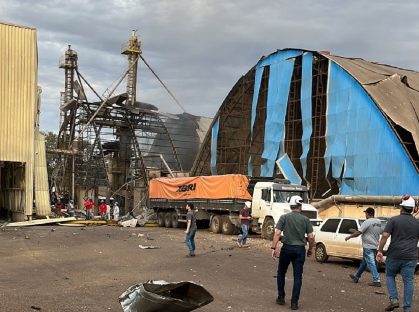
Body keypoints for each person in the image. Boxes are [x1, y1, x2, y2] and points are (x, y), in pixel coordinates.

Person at [271, 195, 314, 310]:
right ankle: (294, 303)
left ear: (291, 205)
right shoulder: (305, 219)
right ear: (300, 205)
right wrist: (310, 249)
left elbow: (277, 233)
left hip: (287, 248)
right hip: (300, 250)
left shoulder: (284, 217)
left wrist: (273, 248)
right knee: (298, 277)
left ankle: (281, 298)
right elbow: (310, 236)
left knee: (281, 273)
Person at [376, 195, 419, 312]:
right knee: (408, 281)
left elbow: (385, 236)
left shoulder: (393, 220)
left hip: (394, 255)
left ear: (401, 207)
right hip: (411, 257)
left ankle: (394, 299)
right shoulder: (417, 223)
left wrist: (380, 251)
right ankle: (407, 308)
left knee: (390, 275)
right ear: (413, 209)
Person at [345, 207, 382, 287]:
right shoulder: (379, 222)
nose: (365, 215)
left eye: (366, 213)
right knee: (364, 263)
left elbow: (359, 232)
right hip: (374, 245)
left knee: (371, 263)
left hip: (368, 245)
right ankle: (356, 276)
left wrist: (350, 236)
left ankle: (377, 280)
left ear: (368, 214)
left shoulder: (367, 222)